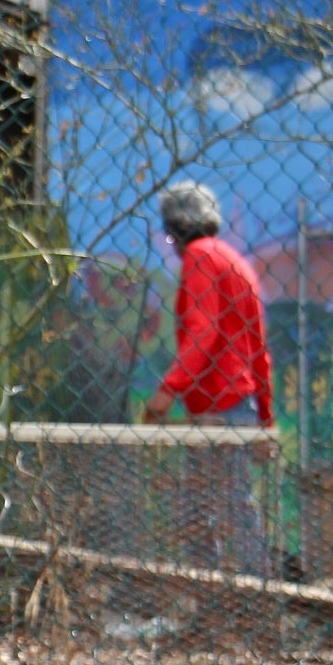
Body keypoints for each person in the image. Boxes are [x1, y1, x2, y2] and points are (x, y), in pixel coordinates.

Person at [142, 182, 275, 573]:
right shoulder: (235, 261)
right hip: (239, 405)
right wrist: (264, 418)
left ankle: (234, 605)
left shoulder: (199, 258)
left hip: (218, 405)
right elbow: (258, 349)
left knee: (201, 512)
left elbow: (203, 330)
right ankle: (244, 606)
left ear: (175, 230)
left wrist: (167, 391)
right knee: (231, 509)